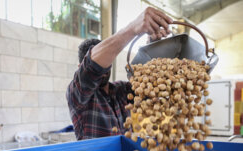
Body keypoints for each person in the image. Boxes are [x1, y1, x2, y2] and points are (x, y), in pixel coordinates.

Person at [67, 7, 173, 140]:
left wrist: (153, 47)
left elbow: (150, 91)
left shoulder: (121, 90)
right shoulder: (77, 94)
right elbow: (92, 67)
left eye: (106, 62)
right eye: (101, 64)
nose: (103, 71)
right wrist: (133, 28)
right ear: (80, 69)